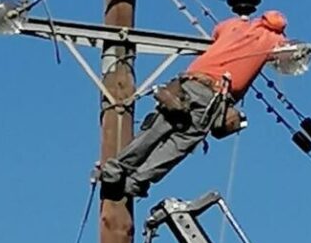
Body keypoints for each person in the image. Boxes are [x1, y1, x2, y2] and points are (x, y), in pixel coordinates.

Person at [99, 10, 291, 198]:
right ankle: (135, 182)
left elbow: (217, 32)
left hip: (189, 84)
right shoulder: (276, 40)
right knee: (179, 144)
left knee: (156, 129)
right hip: (213, 98)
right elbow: (290, 56)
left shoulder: (234, 25)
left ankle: (115, 170)